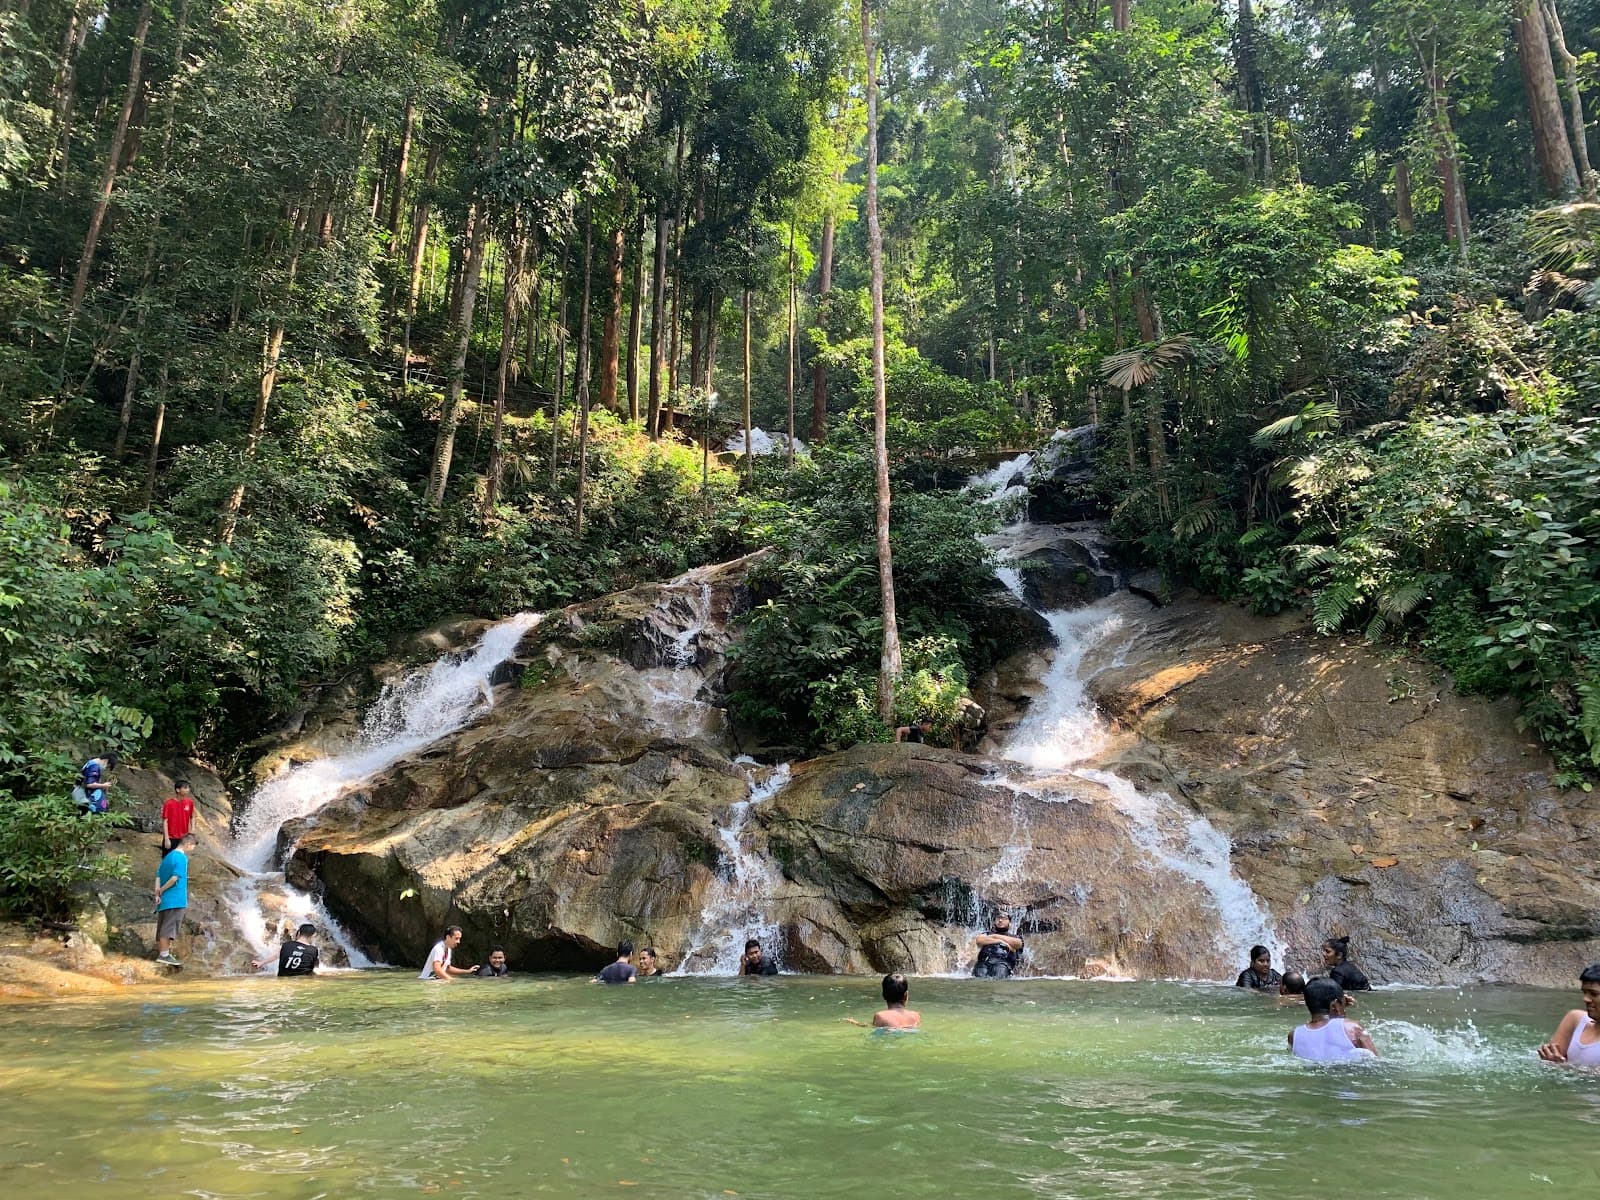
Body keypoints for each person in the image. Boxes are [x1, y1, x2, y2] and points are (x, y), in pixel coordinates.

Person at [1288, 976, 1379, 1062]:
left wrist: (1339, 1005)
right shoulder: (1353, 1028)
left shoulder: (1294, 1036)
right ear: (1334, 1006)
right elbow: (1376, 1061)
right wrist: (1345, 1010)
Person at [1537, 963, 1600, 1066]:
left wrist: (1562, 1067)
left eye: (1594, 994)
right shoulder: (1574, 1020)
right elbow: (1549, 1064)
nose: (1586, 999)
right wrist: (1550, 1061)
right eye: (1584, 992)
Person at [152, 834, 188, 966]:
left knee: (164, 925)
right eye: (193, 847)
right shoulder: (181, 857)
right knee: (169, 927)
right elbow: (174, 878)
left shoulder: (168, 857)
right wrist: (162, 890)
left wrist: (157, 892)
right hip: (176, 898)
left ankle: (165, 953)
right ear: (188, 845)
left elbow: (158, 875)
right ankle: (164, 955)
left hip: (165, 899)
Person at [844, 973, 922, 1030]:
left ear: (883, 995)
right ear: (906, 995)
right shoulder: (915, 1016)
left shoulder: (880, 1016)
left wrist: (855, 1023)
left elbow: (870, 1027)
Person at [971, 914, 1024, 978]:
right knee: (980, 973)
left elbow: (1017, 943)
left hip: (1003, 963)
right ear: (994, 921)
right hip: (983, 962)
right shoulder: (987, 933)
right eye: (998, 918)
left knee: (1000, 971)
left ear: (1009, 922)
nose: (1000, 920)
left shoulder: (1015, 937)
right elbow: (979, 940)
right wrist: (1000, 941)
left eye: (1004, 918)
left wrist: (994, 937)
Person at [161, 779, 196, 854]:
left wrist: (193, 828)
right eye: (185, 788)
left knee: (179, 857)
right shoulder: (169, 803)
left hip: (183, 838)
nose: (188, 790)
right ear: (178, 790)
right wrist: (166, 839)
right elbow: (165, 821)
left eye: (188, 788)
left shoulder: (190, 802)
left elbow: (192, 816)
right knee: (167, 858)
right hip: (171, 837)